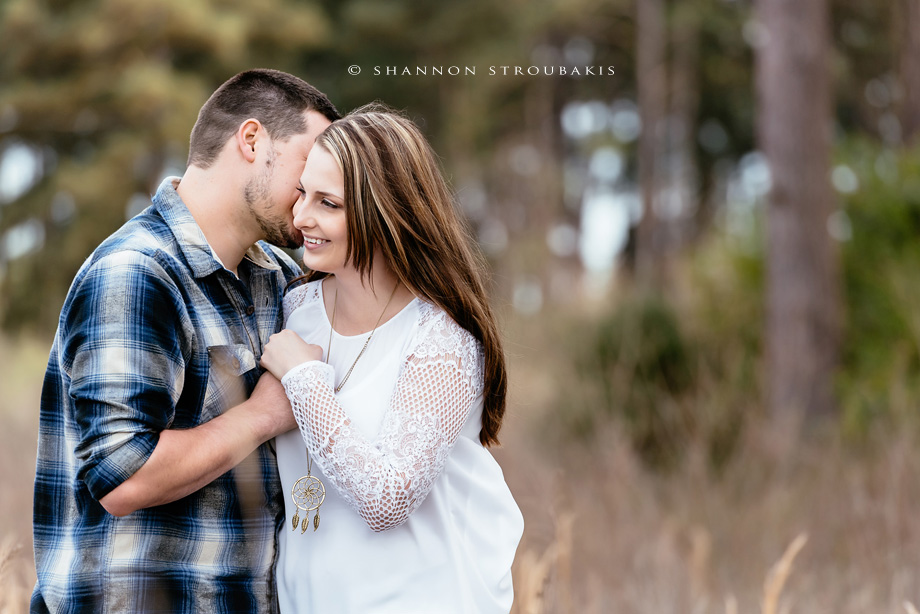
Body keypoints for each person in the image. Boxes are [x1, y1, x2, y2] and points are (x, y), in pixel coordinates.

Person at [32, 68, 339, 613]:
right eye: (309, 159)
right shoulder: (136, 273)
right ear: (252, 140)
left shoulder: (278, 278)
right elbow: (121, 476)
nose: (319, 182)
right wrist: (263, 413)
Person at [259, 107, 524, 613]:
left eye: (328, 203)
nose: (301, 218)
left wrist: (303, 379)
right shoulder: (294, 308)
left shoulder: (441, 338)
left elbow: (387, 498)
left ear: (384, 210)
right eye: (302, 194)